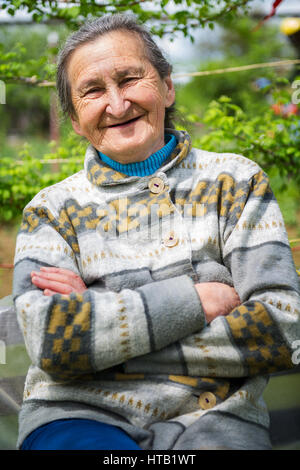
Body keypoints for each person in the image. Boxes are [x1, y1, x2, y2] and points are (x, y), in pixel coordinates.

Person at [13, 14, 300, 451]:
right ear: (74, 119)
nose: (116, 103)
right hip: (77, 415)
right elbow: (54, 343)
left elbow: (282, 327)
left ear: (167, 87)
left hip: (216, 419)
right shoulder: (49, 210)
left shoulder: (236, 181)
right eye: (92, 90)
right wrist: (196, 300)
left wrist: (100, 324)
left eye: (130, 79)